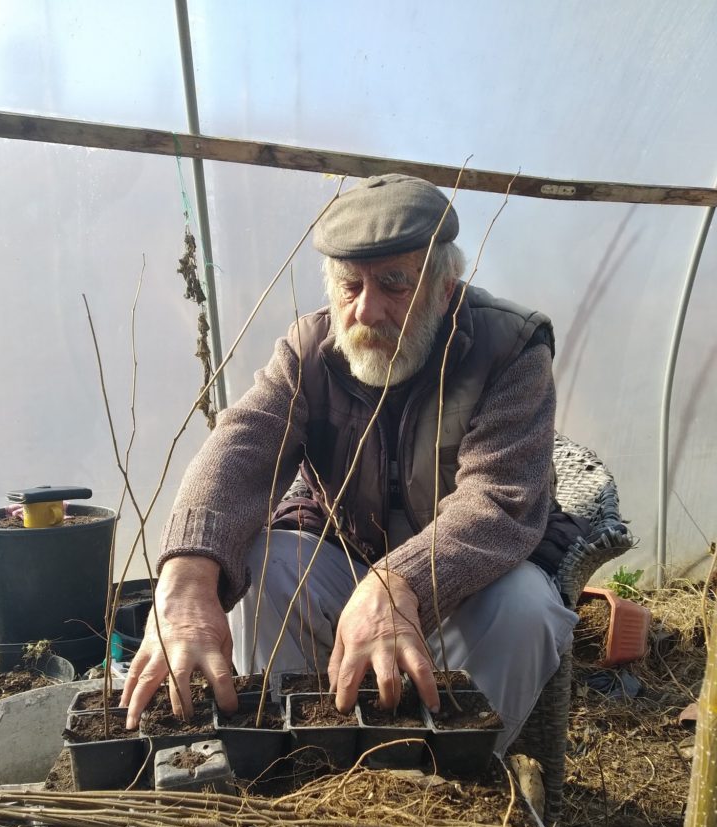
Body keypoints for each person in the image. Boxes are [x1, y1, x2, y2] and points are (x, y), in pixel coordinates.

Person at [121, 174, 577, 748]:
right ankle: (303, 756)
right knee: (272, 563)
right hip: (348, 559)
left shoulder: (508, 349)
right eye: (348, 284)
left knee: (527, 607)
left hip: (465, 584)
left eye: (393, 284)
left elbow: (499, 501)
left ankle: (461, 774)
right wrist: (185, 579)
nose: (366, 309)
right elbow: (239, 449)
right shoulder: (309, 349)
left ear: (444, 287)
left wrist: (397, 581)